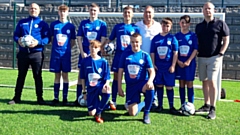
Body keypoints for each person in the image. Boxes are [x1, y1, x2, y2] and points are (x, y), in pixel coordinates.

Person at [8, 3, 50, 105]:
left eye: (35, 8)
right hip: (23, 54)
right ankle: (16, 97)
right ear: (28, 10)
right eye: (31, 8)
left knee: (37, 76)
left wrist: (38, 42)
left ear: (39, 10)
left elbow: (47, 38)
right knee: (21, 76)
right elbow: (16, 35)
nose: (33, 10)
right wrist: (19, 40)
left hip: (36, 54)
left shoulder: (42, 24)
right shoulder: (22, 22)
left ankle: (40, 98)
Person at [195, 2, 230, 119]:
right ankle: (206, 104)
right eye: (205, 9)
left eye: (209, 9)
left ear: (213, 10)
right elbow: (197, 42)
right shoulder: (199, 26)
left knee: (212, 81)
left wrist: (221, 53)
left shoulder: (221, 23)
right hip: (201, 57)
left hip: (214, 57)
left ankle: (213, 108)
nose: (207, 11)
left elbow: (226, 40)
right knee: (204, 81)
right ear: (202, 11)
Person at [107, 6, 140, 110]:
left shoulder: (135, 28)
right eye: (125, 12)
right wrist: (102, 48)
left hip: (130, 56)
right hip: (118, 56)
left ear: (132, 14)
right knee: (116, 78)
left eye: (129, 13)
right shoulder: (117, 27)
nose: (127, 14)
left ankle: (128, 101)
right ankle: (113, 100)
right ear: (123, 14)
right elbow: (110, 40)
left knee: (130, 78)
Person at [74, 3, 107, 105]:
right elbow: (79, 38)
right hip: (84, 54)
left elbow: (103, 39)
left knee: (97, 76)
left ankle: (96, 98)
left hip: (95, 54)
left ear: (98, 12)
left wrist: (98, 52)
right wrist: (82, 52)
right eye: (91, 10)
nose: (93, 12)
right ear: (89, 11)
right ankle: (79, 98)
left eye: (95, 10)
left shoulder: (102, 24)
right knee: (81, 76)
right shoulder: (84, 23)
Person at [118, 33, 155, 124]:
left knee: (151, 87)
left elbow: (152, 71)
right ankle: (145, 102)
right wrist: (119, 87)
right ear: (130, 42)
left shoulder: (145, 55)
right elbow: (120, 71)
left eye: (137, 42)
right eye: (133, 42)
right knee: (132, 113)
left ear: (141, 42)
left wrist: (150, 81)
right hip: (131, 86)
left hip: (142, 83)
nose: (135, 44)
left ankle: (146, 113)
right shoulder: (125, 55)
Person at [135, 5, 162, 109]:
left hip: (154, 59)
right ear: (143, 14)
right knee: (140, 79)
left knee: (153, 79)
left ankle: (153, 100)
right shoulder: (138, 25)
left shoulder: (158, 26)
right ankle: (137, 99)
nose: (148, 14)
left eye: (150, 12)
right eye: (146, 12)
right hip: (140, 59)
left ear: (153, 14)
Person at [150, 18, 179, 114]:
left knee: (169, 86)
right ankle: (160, 105)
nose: (165, 27)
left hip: (168, 67)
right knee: (159, 85)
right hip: (159, 66)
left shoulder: (172, 38)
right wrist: (153, 64)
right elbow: (152, 52)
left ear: (170, 27)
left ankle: (171, 106)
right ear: (161, 26)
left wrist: (173, 65)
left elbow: (175, 53)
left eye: (167, 26)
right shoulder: (156, 38)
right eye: (163, 25)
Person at [49, 5, 76, 106]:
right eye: (61, 11)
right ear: (58, 12)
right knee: (57, 75)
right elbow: (52, 39)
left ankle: (65, 98)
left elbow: (72, 41)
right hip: (56, 54)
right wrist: (57, 48)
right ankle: (56, 98)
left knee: (65, 75)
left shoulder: (70, 26)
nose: (62, 13)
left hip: (66, 55)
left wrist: (66, 49)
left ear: (67, 13)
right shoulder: (54, 25)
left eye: (64, 11)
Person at [80, 40, 111, 123]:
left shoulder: (103, 62)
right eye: (92, 47)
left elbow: (107, 76)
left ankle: (99, 113)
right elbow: (82, 78)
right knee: (90, 113)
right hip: (90, 89)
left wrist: (107, 84)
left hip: (99, 86)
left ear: (99, 49)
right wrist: (84, 92)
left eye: (95, 47)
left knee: (107, 90)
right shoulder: (85, 61)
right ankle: (106, 106)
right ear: (89, 48)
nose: (93, 49)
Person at [175, 15, 198, 110]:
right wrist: (177, 61)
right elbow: (174, 51)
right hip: (179, 63)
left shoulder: (193, 36)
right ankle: (182, 105)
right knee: (181, 83)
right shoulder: (176, 36)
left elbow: (195, 49)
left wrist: (189, 60)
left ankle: (190, 106)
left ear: (189, 24)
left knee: (189, 83)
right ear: (179, 23)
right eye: (182, 22)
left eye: (185, 22)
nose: (183, 24)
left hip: (190, 64)